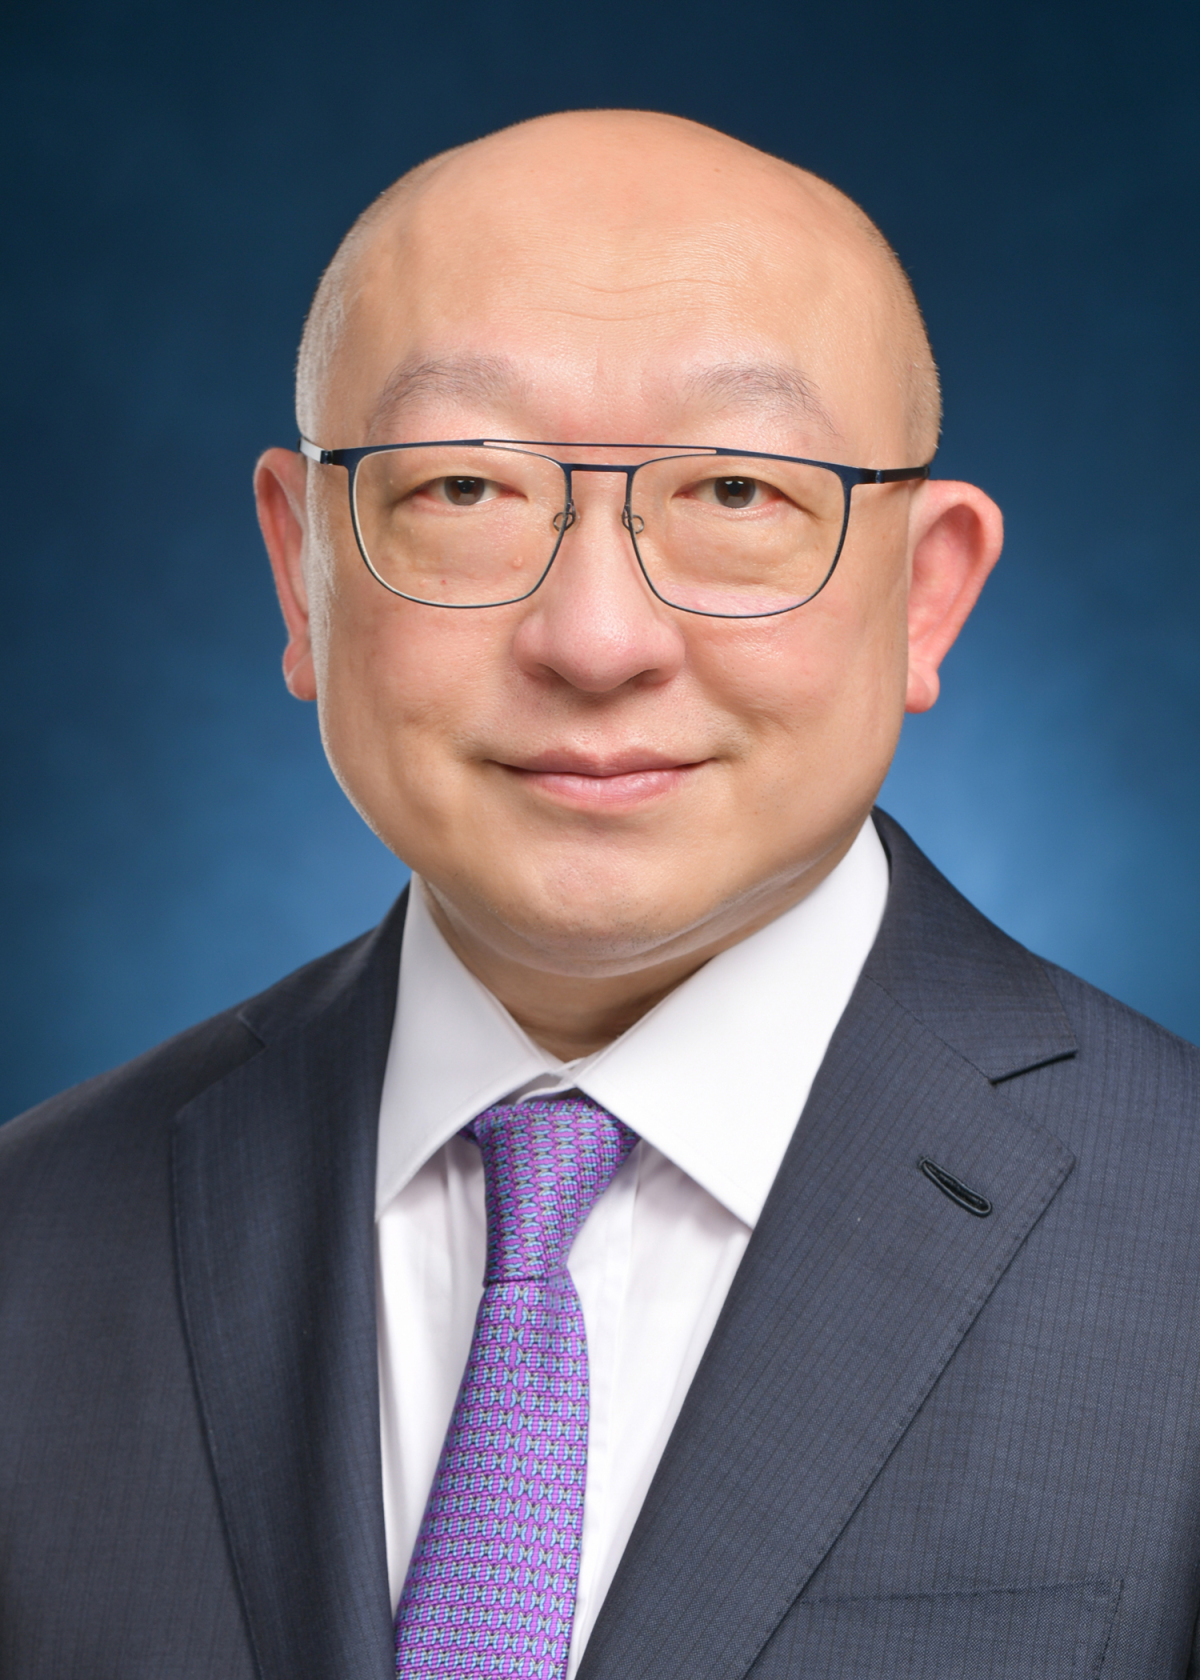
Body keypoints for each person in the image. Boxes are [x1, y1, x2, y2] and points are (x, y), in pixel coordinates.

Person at [2, 108, 1198, 1680]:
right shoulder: (31, 1241)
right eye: (464, 488)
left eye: (738, 492)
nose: (595, 640)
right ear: (302, 570)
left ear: (927, 591)